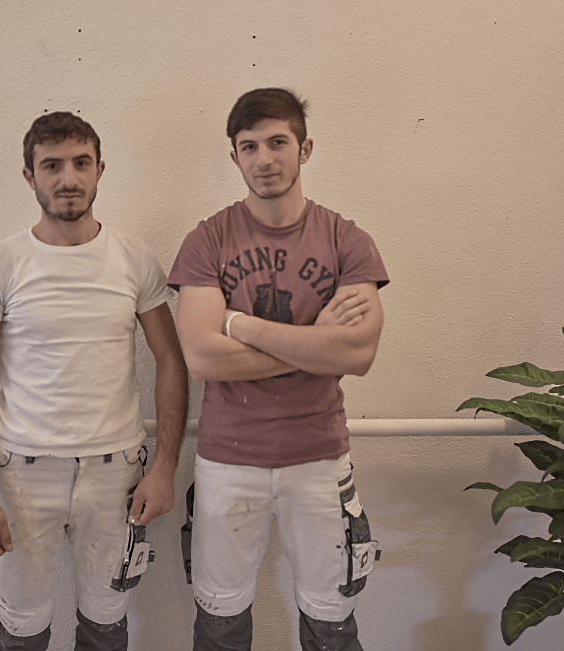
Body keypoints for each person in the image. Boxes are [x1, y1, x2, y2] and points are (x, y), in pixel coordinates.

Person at [0, 111, 188, 651]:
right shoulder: (0, 264)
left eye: (81, 163)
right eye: (52, 165)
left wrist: (166, 466)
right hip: (22, 475)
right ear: (29, 175)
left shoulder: (135, 258)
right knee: (21, 632)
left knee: (106, 627)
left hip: (117, 474)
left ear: (100, 169)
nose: (68, 178)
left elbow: (170, 360)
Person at [168, 88, 388, 651]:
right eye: (249, 147)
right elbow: (202, 358)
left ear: (304, 149)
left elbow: (357, 354)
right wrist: (317, 340)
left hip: (319, 456)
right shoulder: (208, 239)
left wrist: (239, 324)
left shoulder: (346, 239)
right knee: (219, 622)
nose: (263, 159)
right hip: (227, 460)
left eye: (277, 143)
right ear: (234, 156)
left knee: (331, 623)